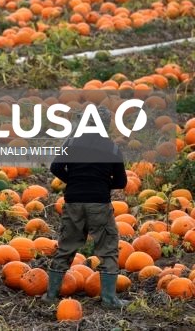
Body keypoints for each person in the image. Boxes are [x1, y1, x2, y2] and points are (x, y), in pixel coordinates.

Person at [44, 105, 128, 308]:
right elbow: (121, 182)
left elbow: (55, 166)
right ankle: (109, 299)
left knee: (66, 246)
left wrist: (72, 180)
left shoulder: (71, 142)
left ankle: (50, 295)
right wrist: (102, 184)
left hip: (73, 201)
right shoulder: (112, 148)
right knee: (107, 248)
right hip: (99, 203)